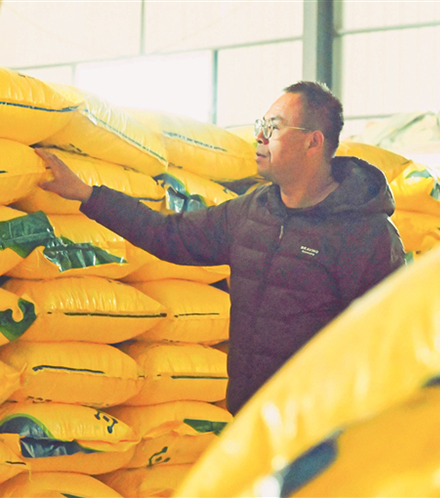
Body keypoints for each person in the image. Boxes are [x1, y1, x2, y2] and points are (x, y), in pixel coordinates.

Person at [36, 81, 405, 415]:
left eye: (273, 128)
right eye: (261, 125)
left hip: (318, 429)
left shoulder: (365, 234)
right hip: (249, 418)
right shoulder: (252, 211)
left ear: (313, 142)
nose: (259, 137)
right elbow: (168, 235)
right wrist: (88, 194)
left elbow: (387, 343)